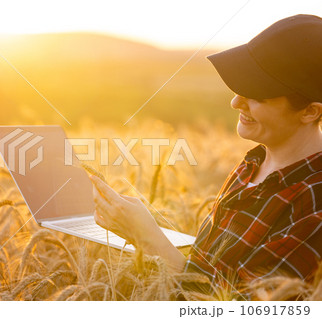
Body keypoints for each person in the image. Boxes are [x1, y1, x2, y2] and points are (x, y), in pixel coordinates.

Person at [91, 14, 322, 288]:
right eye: (240, 89)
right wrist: (141, 229)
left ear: (310, 111)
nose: (236, 102)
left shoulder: (313, 206)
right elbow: (210, 272)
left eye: (258, 96)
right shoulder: (254, 164)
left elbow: (234, 307)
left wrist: (147, 237)